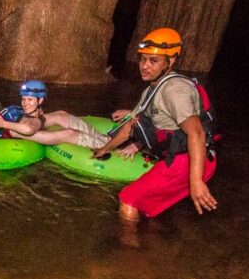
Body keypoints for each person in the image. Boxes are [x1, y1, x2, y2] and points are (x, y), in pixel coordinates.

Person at [92, 27, 219, 221]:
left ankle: (128, 249)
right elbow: (129, 129)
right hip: (183, 158)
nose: (144, 66)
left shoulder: (175, 90)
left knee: (129, 199)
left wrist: (196, 182)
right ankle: (152, 244)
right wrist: (104, 149)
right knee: (150, 208)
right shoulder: (154, 88)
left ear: (171, 60)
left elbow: (197, 133)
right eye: (143, 59)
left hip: (188, 160)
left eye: (153, 61)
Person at [0, 80, 113, 151]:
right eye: (23, 99)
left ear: (40, 101)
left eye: (29, 100)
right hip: (14, 131)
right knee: (70, 133)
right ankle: (107, 145)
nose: (25, 103)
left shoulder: (34, 114)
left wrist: (4, 122)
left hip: (22, 124)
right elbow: (29, 129)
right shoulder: (29, 120)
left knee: (61, 114)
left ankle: (103, 138)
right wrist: (4, 124)